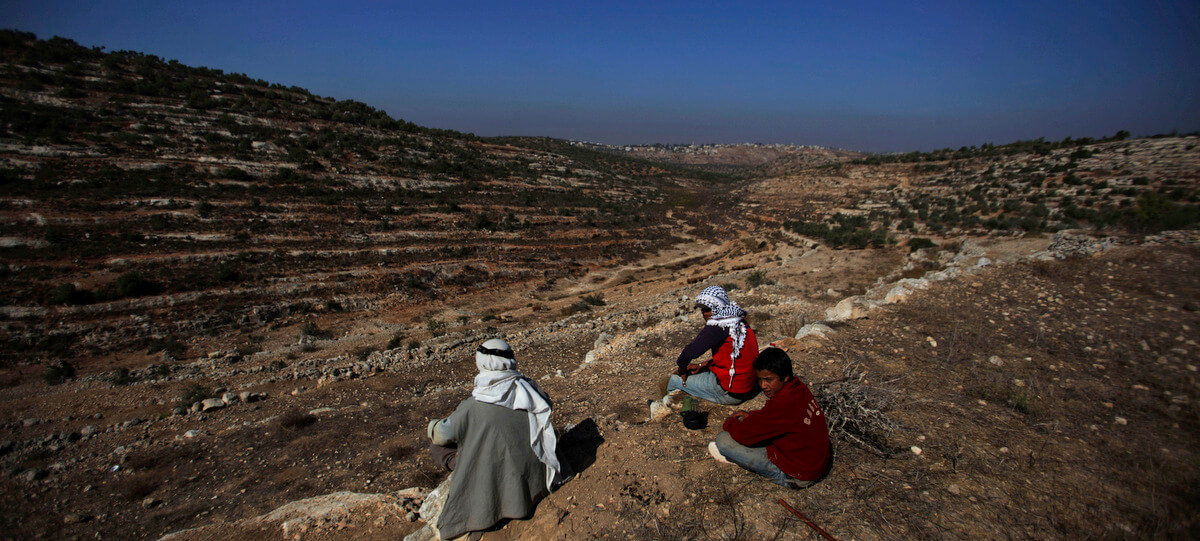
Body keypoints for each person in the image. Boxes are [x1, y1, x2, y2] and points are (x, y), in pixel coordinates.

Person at [426, 338, 560, 539]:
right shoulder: (531, 390)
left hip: (500, 478)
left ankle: (462, 465)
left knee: (438, 444)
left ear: (482, 363)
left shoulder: (473, 407)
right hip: (536, 479)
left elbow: (440, 435)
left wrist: (432, 425)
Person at [710, 347, 832, 488]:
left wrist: (730, 423)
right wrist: (752, 416)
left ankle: (778, 476)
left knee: (723, 440)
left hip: (800, 475)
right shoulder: (797, 387)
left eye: (768, 380)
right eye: (760, 380)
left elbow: (744, 435)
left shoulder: (784, 402)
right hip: (815, 464)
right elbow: (777, 419)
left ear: (785, 376)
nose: (763, 386)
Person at [651, 285, 759, 418]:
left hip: (731, 392)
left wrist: (682, 369)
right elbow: (733, 357)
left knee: (673, 380)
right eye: (702, 309)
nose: (704, 313)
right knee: (699, 374)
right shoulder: (737, 320)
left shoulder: (719, 325)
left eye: (707, 309)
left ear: (718, 306)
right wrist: (702, 365)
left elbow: (690, 352)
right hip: (749, 385)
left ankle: (667, 413)